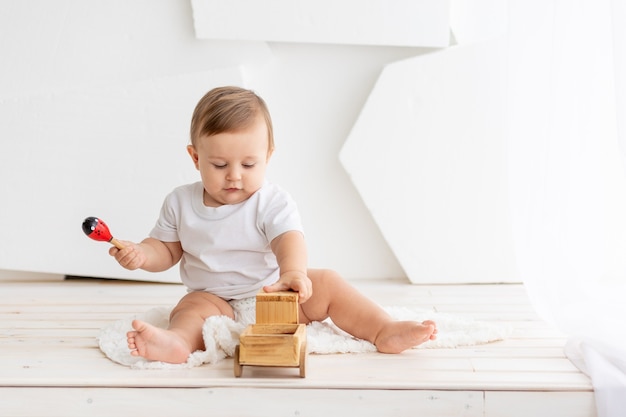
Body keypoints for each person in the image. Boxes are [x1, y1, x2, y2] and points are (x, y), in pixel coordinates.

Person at [110, 86, 437, 364]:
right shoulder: (180, 202)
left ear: (268, 156)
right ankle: (178, 344)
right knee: (188, 309)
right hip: (214, 301)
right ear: (195, 158)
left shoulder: (270, 201)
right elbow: (165, 250)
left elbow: (287, 239)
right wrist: (141, 254)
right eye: (219, 164)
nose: (234, 175)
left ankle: (383, 329)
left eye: (249, 164)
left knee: (329, 283)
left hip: (273, 297)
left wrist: (293, 273)